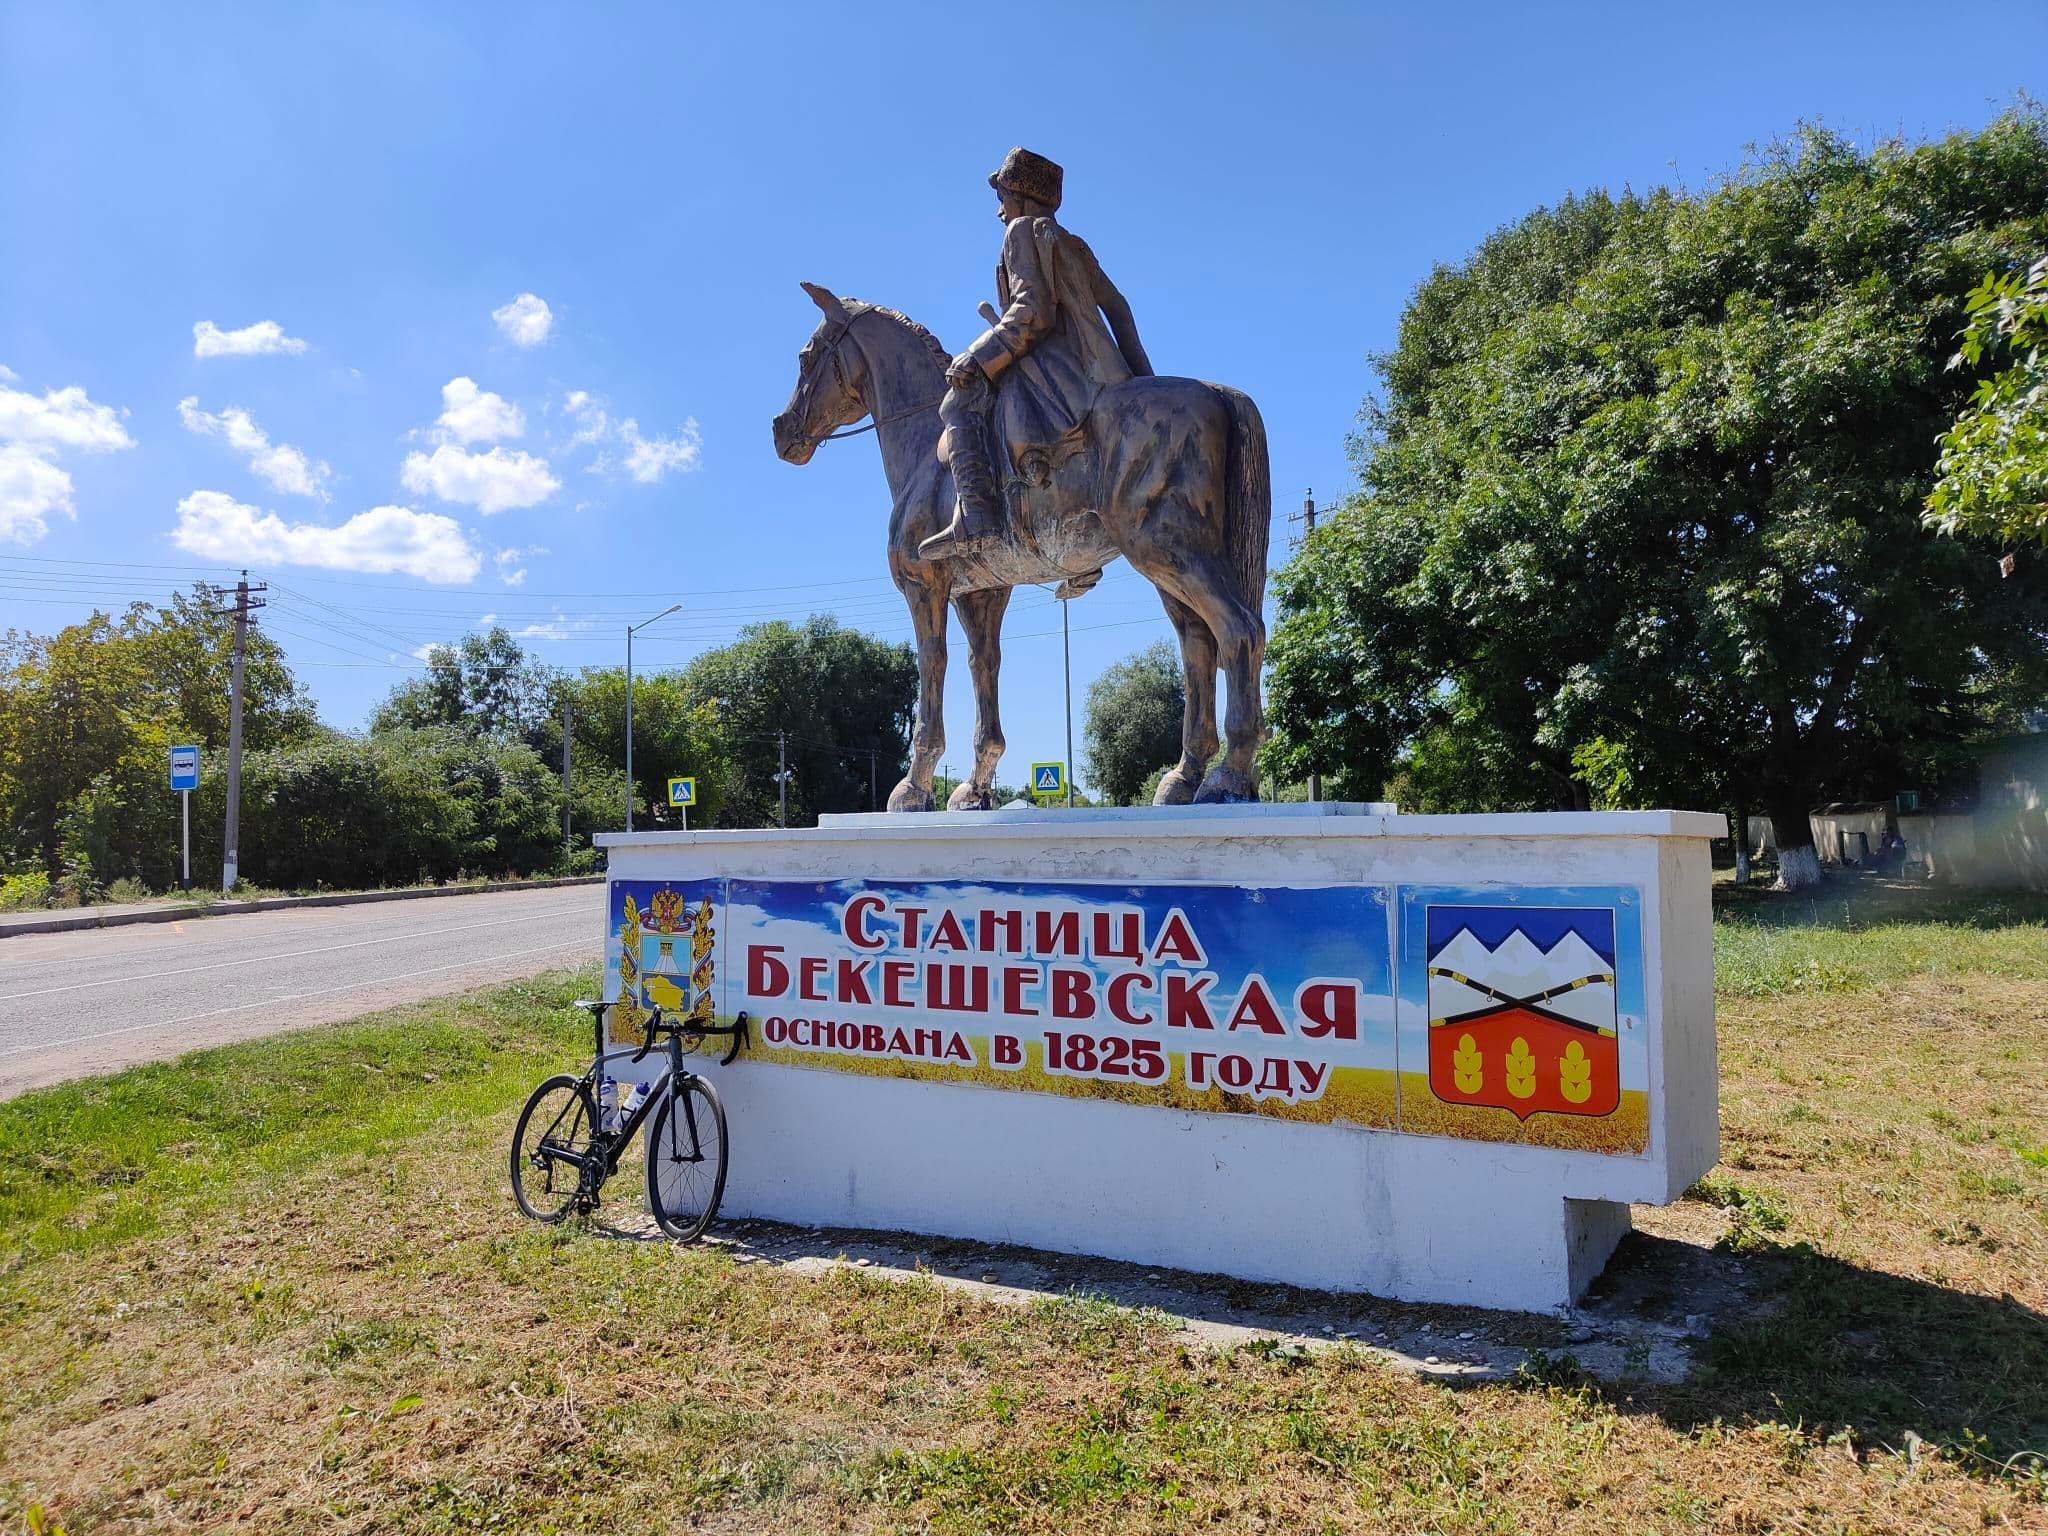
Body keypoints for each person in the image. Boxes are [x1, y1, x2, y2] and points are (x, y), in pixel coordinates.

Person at [919, 148, 1154, 560]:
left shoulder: (1021, 231)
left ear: (1023, 198)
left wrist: (975, 357)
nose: (999, 212)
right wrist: (1142, 383)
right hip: (1101, 371)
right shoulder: (1072, 242)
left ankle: (977, 516)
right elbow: (1119, 308)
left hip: (1053, 370)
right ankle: (1082, 559)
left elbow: (1032, 313)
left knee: (956, 404)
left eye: (1002, 198)